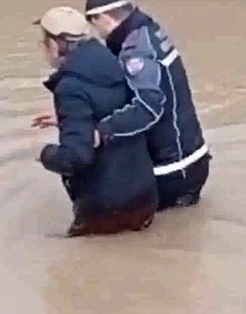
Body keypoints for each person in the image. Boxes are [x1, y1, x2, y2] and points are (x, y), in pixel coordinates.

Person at [31, 6, 157, 236]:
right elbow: (108, 110)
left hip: (105, 208)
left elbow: (77, 157)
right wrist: (65, 121)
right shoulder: (110, 60)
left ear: (54, 46)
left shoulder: (69, 87)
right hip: (145, 196)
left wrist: (44, 153)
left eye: (43, 42)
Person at [84, 0, 210, 210]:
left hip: (173, 170)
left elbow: (147, 108)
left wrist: (101, 130)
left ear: (103, 18)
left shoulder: (136, 51)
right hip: (190, 160)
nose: (98, 34)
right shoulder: (147, 31)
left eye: (94, 25)